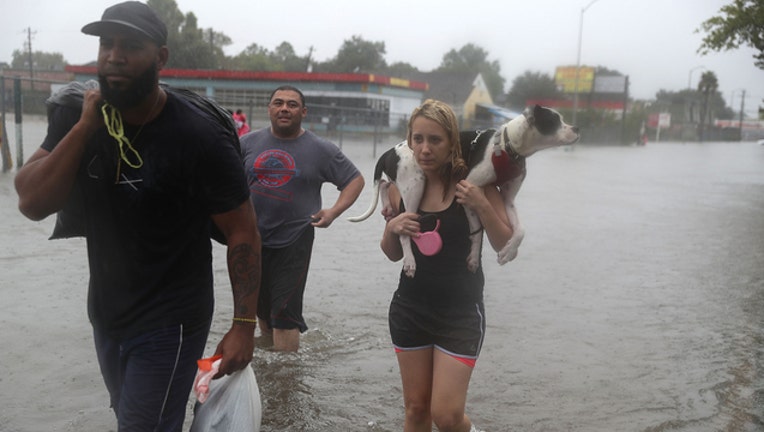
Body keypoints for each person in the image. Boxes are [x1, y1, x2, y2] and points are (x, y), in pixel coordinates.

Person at [13, 2, 262, 431]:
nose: (114, 55)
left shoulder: (197, 135)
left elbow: (243, 231)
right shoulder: (79, 115)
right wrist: (86, 125)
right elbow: (31, 200)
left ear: (161, 58)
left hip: (171, 321)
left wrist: (243, 326)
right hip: (107, 314)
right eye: (106, 44)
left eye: (131, 45)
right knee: (132, 419)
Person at [379, 99, 513, 432]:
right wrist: (392, 227)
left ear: (452, 142)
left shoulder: (477, 182)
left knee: (447, 416)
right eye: (417, 139)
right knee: (415, 411)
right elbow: (393, 253)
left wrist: (482, 204)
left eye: (435, 140)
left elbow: (504, 244)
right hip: (410, 308)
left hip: (461, 314)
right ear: (409, 140)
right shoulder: (403, 185)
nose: (424, 149)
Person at [240, 85, 364, 352]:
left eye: (292, 104)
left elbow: (355, 180)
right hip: (252, 237)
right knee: (261, 310)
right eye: (278, 103)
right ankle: (269, 374)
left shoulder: (320, 149)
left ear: (303, 112)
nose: (284, 108)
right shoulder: (247, 143)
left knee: (284, 313)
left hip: (295, 238)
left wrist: (333, 211)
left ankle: (287, 380)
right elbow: (224, 181)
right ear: (269, 109)